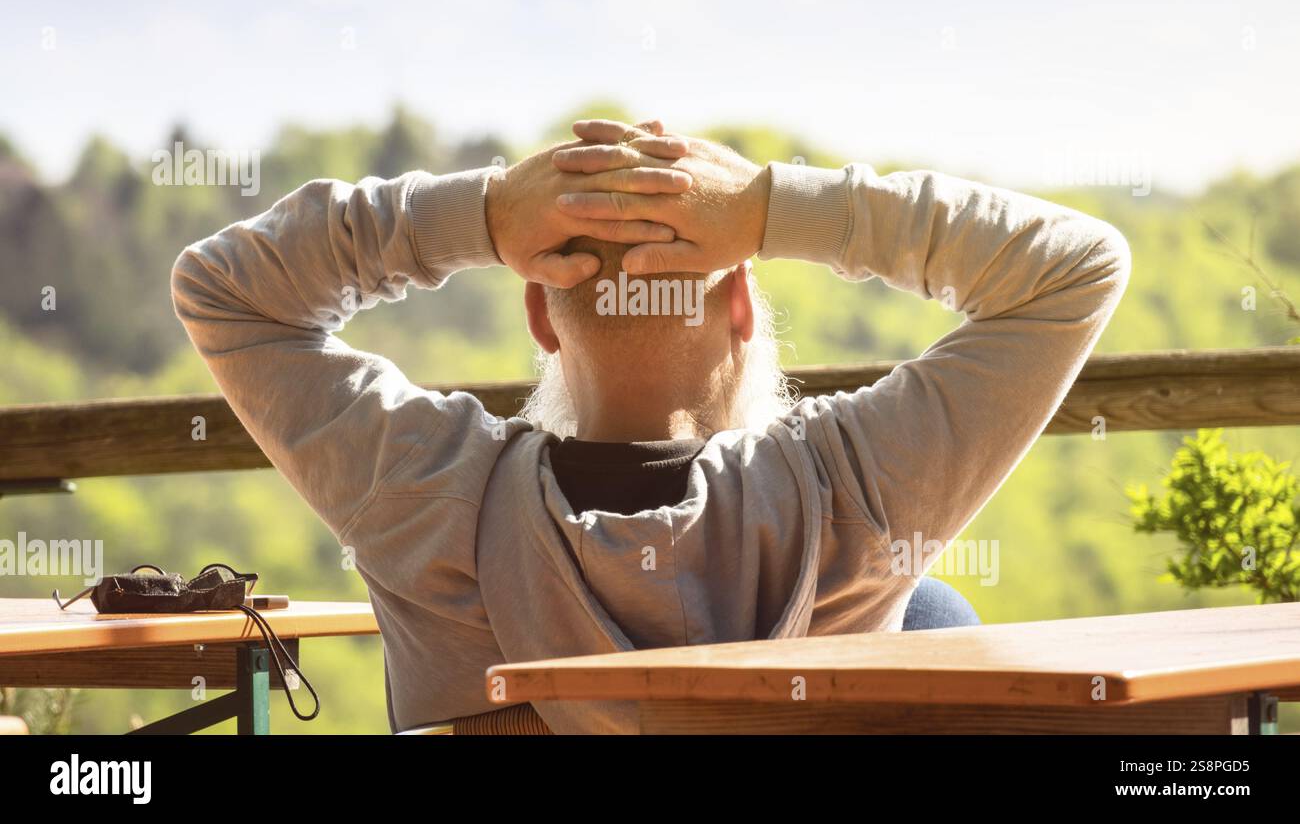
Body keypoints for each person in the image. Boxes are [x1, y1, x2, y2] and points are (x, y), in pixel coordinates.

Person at [171, 118, 1129, 733]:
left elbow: (224, 291)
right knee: (933, 615)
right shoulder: (858, 490)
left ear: (542, 316)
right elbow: (1077, 266)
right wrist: (775, 208)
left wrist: (485, 215)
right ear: (744, 307)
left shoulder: (427, 494)